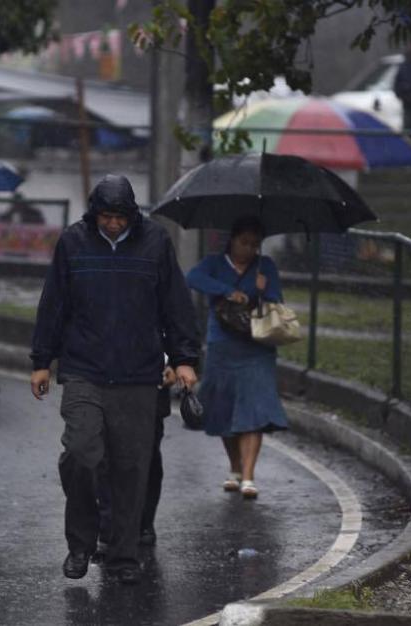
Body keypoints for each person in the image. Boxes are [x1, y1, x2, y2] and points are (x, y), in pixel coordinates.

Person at [29, 174, 199, 585]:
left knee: (130, 469)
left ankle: (124, 556)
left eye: (119, 217)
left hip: (139, 375)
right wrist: (42, 360)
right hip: (84, 370)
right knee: (81, 454)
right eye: (105, 216)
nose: (113, 224)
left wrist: (184, 359)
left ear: (131, 214)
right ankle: (80, 543)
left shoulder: (155, 243)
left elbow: (175, 304)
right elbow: (54, 302)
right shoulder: (73, 243)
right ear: (94, 213)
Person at [186, 215, 289, 500]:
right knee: (224, 409)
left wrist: (259, 289)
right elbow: (192, 278)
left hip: (257, 346)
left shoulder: (264, 266)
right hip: (222, 345)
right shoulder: (214, 264)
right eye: (244, 242)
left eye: (255, 244)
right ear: (231, 240)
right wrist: (227, 291)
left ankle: (249, 475)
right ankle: (234, 468)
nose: (249, 249)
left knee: (253, 410)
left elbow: (276, 298)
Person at [93, 363, 176, 562]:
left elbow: (181, 332)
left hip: (151, 375)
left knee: (147, 455)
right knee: (105, 456)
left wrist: (179, 362)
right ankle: (109, 526)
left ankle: (144, 520)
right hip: (105, 374)